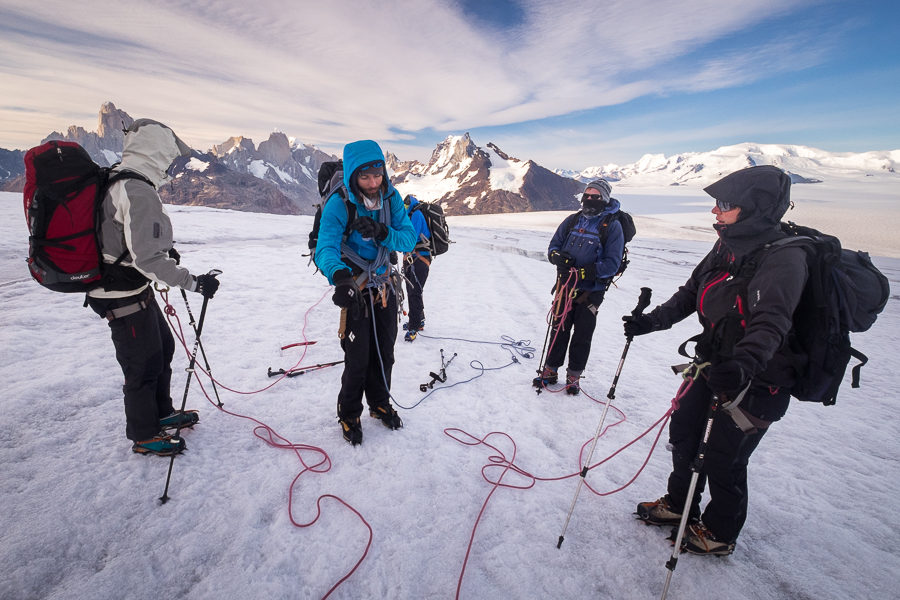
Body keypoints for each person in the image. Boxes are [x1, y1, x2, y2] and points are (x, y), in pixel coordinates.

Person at [626, 165, 807, 555]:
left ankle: (721, 532)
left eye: (724, 204)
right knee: (686, 435)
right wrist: (651, 322)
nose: (714, 212)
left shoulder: (784, 259)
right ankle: (680, 505)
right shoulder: (727, 243)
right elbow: (693, 291)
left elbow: (770, 323)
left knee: (724, 457)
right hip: (712, 365)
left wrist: (743, 366)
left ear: (754, 207)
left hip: (758, 379)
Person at [85, 119, 221, 457]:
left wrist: (158, 253)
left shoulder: (120, 178)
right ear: (157, 152)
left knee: (161, 348)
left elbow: (126, 241)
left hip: (128, 289)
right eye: (170, 156)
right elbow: (148, 261)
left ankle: (161, 413)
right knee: (142, 363)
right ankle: (144, 434)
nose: (172, 164)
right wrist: (194, 282)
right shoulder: (137, 189)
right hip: (121, 294)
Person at [314, 140, 416, 445]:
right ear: (353, 177)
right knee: (357, 356)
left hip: (383, 284)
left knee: (385, 351)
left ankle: (379, 402)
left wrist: (384, 233)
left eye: (377, 175)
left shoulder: (391, 197)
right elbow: (326, 247)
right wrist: (341, 277)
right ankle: (349, 413)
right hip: (357, 286)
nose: (373, 183)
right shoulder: (339, 203)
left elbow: (408, 239)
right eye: (365, 177)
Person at [532, 179, 624, 395]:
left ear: (605, 199)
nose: (590, 199)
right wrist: (557, 257)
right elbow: (554, 246)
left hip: (591, 292)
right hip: (565, 287)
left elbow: (612, 263)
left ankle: (573, 377)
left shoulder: (612, 226)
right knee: (558, 329)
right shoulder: (572, 220)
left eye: (596, 196)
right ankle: (550, 371)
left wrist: (585, 272)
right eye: (587, 195)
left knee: (582, 334)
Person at [401, 194, 431, 342]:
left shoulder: (417, 215)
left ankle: (414, 326)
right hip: (413, 258)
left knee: (415, 292)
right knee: (412, 290)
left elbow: (410, 238)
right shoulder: (410, 215)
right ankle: (419, 318)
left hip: (420, 258)